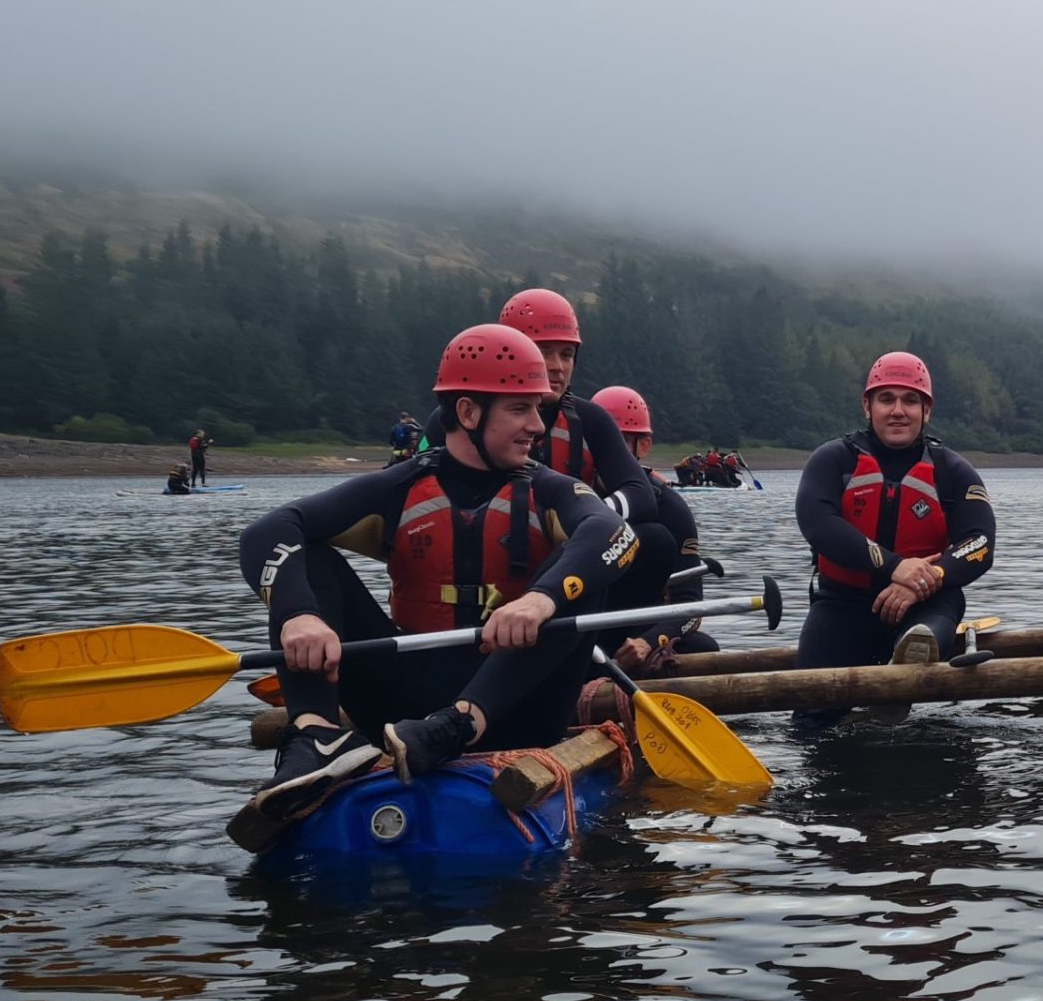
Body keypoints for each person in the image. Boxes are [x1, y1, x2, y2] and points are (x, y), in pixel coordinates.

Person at [232, 323, 641, 829]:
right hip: (410, 707)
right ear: (468, 412)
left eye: (538, 408)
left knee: (581, 574)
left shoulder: (550, 490)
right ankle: (315, 735)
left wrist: (539, 600)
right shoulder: (401, 487)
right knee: (310, 561)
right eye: (519, 409)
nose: (537, 425)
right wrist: (299, 616)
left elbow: (614, 533)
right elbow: (267, 532)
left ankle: (462, 723)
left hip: (518, 702)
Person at [795, 352, 996, 675]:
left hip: (926, 605)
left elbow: (981, 543)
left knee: (929, 630)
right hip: (841, 604)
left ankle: (903, 679)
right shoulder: (832, 461)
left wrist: (925, 580)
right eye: (886, 399)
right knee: (810, 718)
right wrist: (895, 567)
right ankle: (886, 694)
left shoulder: (954, 473)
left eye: (910, 401)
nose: (898, 411)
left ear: (926, 411)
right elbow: (818, 525)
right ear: (867, 407)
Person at [590, 384, 717, 667]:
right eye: (596, 441)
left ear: (643, 446)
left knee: (702, 646)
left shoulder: (670, 509)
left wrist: (650, 641)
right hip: (578, 628)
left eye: (617, 441)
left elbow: (691, 607)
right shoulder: (566, 491)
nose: (604, 452)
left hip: (633, 634)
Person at [496, 287, 651, 515]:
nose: (558, 366)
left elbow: (640, 494)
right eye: (543, 352)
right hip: (496, 540)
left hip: (570, 542)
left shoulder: (591, 419)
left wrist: (580, 514)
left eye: (566, 354)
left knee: (657, 536)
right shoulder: (462, 419)